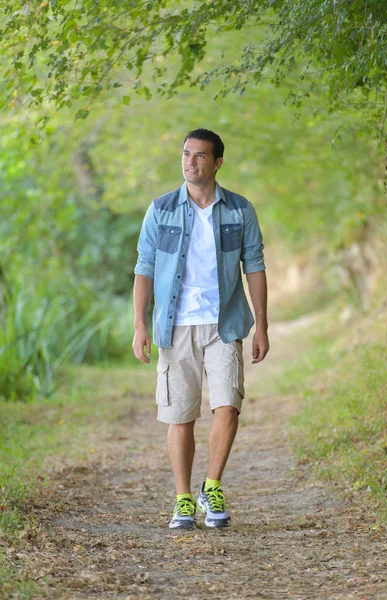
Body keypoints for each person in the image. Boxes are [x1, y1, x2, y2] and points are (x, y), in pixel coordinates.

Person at [132, 128, 269, 530]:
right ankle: (183, 499)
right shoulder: (161, 210)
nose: (190, 162)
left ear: (217, 162)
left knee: (228, 405)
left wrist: (262, 325)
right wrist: (140, 324)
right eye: (186, 154)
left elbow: (255, 267)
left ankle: (212, 486)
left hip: (224, 323)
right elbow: (144, 267)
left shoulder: (240, 209)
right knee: (181, 415)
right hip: (176, 326)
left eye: (199, 156)